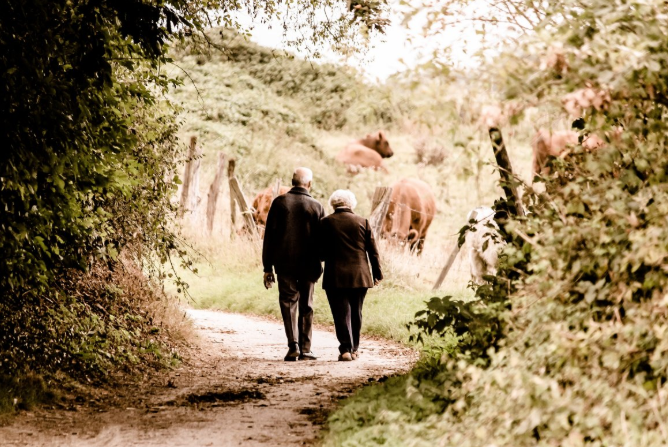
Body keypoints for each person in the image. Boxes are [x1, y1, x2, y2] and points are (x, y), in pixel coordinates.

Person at [262, 167, 324, 361]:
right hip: (309, 264)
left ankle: (293, 346)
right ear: (310, 184)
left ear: (292, 181)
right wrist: (321, 261)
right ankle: (306, 348)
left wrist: (267, 267)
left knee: (288, 303)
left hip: (284, 263)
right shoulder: (316, 206)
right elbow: (323, 240)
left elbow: (269, 237)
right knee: (307, 304)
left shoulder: (279, 203)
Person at [319, 189, 383, 361]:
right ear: (351, 204)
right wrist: (377, 274)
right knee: (357, 311)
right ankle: (355, 348)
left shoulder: (325, 222)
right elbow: (373, 252)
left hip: (335, 275)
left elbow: (320, 252)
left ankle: (345, 349)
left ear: (333, 204)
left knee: (340, 313)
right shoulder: (363, 222)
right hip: (360, 275)